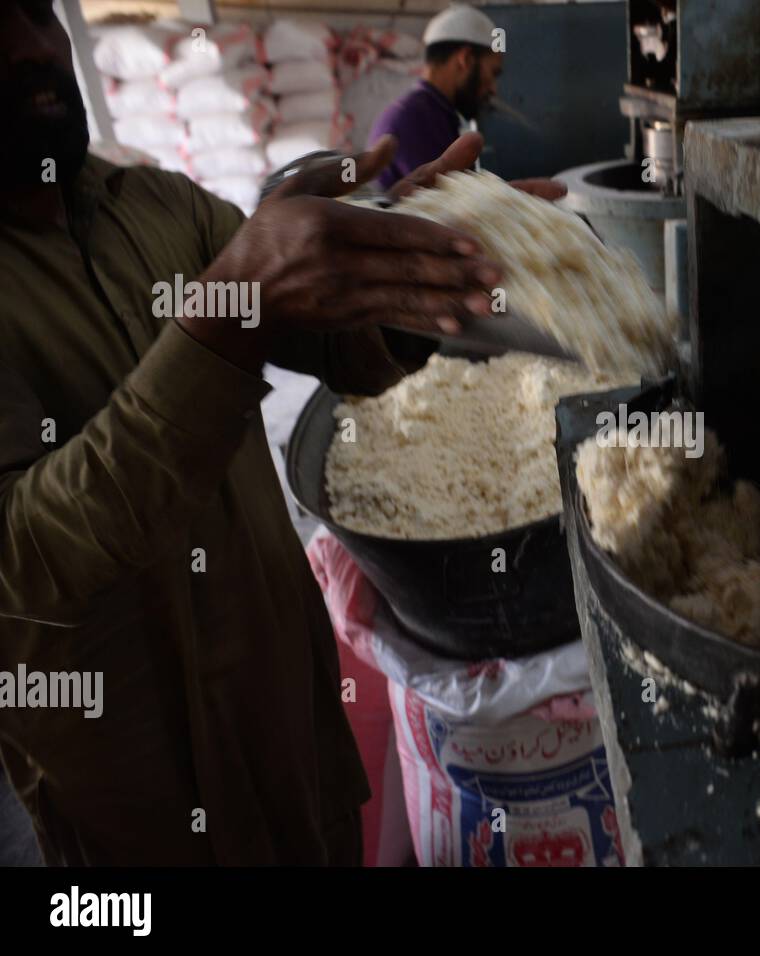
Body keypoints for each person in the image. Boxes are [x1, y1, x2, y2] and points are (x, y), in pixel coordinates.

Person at [0, 0, 556, 865]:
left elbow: (336, 340)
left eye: (40, 12)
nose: (37, 46)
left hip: (283, 721)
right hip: (136, 786)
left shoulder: (152, 205)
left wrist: (402, 268)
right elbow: (25, 560)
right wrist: (223, 322)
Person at [369, 4, 504, 191]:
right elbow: (448, 208)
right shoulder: (414, 120)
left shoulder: (434, 113)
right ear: (466, 59)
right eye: (493, 73)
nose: (493, 89)